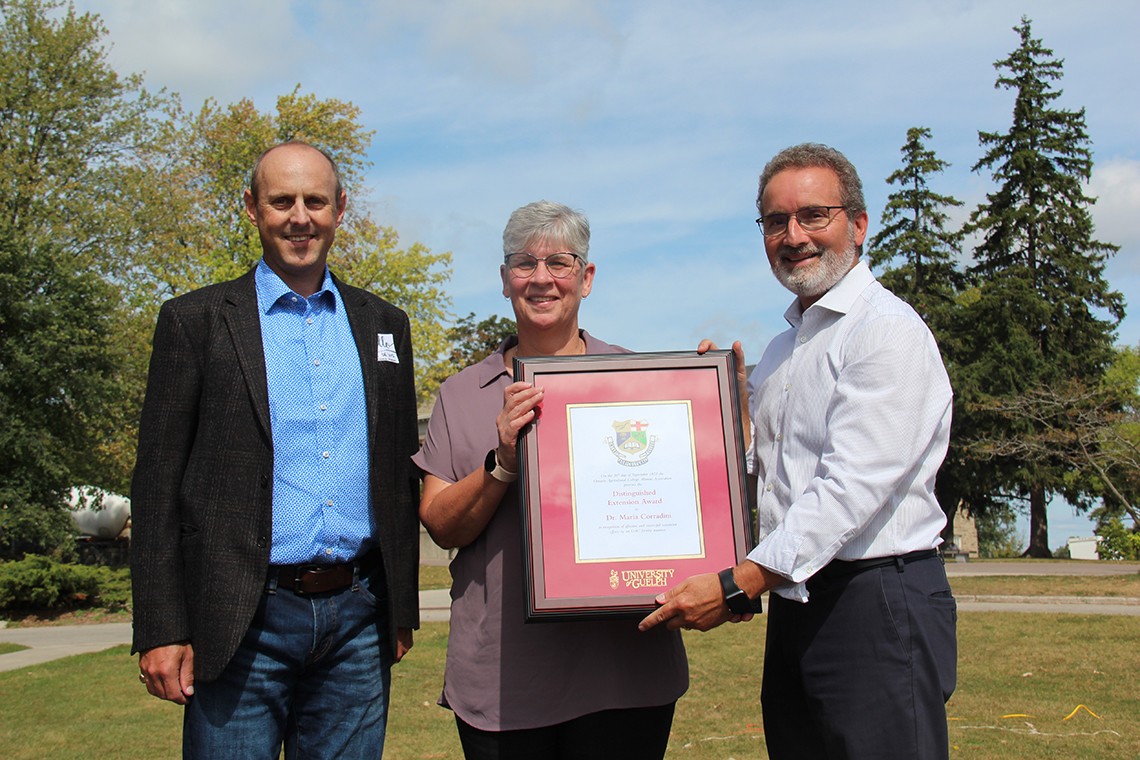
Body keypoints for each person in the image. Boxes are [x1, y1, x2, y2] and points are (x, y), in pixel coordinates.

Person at [640, 144, 957, 759]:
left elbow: (850, 490)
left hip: (875, 601)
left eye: (814, 215)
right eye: (775, 221)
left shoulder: (886, 332)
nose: (794, 236)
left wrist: (738, 584)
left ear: (858, 225)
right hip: (797, 600)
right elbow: (770, 477)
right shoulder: (786, 349)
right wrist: (719, 417)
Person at [130, 141, 421, 759]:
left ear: (341, 208)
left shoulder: (385, 325)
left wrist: (400, 608)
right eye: (281, 200)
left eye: (315, 201)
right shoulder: (195, 321)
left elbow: (397, 475)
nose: (300, 216)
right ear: (252, 208)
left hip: (356, 620)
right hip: (239, 620)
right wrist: (160, 626)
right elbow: (155, 487)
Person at [414, 201, 687, 759]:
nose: (542, 278)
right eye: (524, 264)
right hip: (504, 679)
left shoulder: (638, 381)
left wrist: (716, 405)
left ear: (586, 278)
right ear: (504, 280)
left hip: (624, 678)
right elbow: (440, 525)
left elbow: (683, 504)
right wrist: (501, 465)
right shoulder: (461, 394)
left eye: (560, 263)